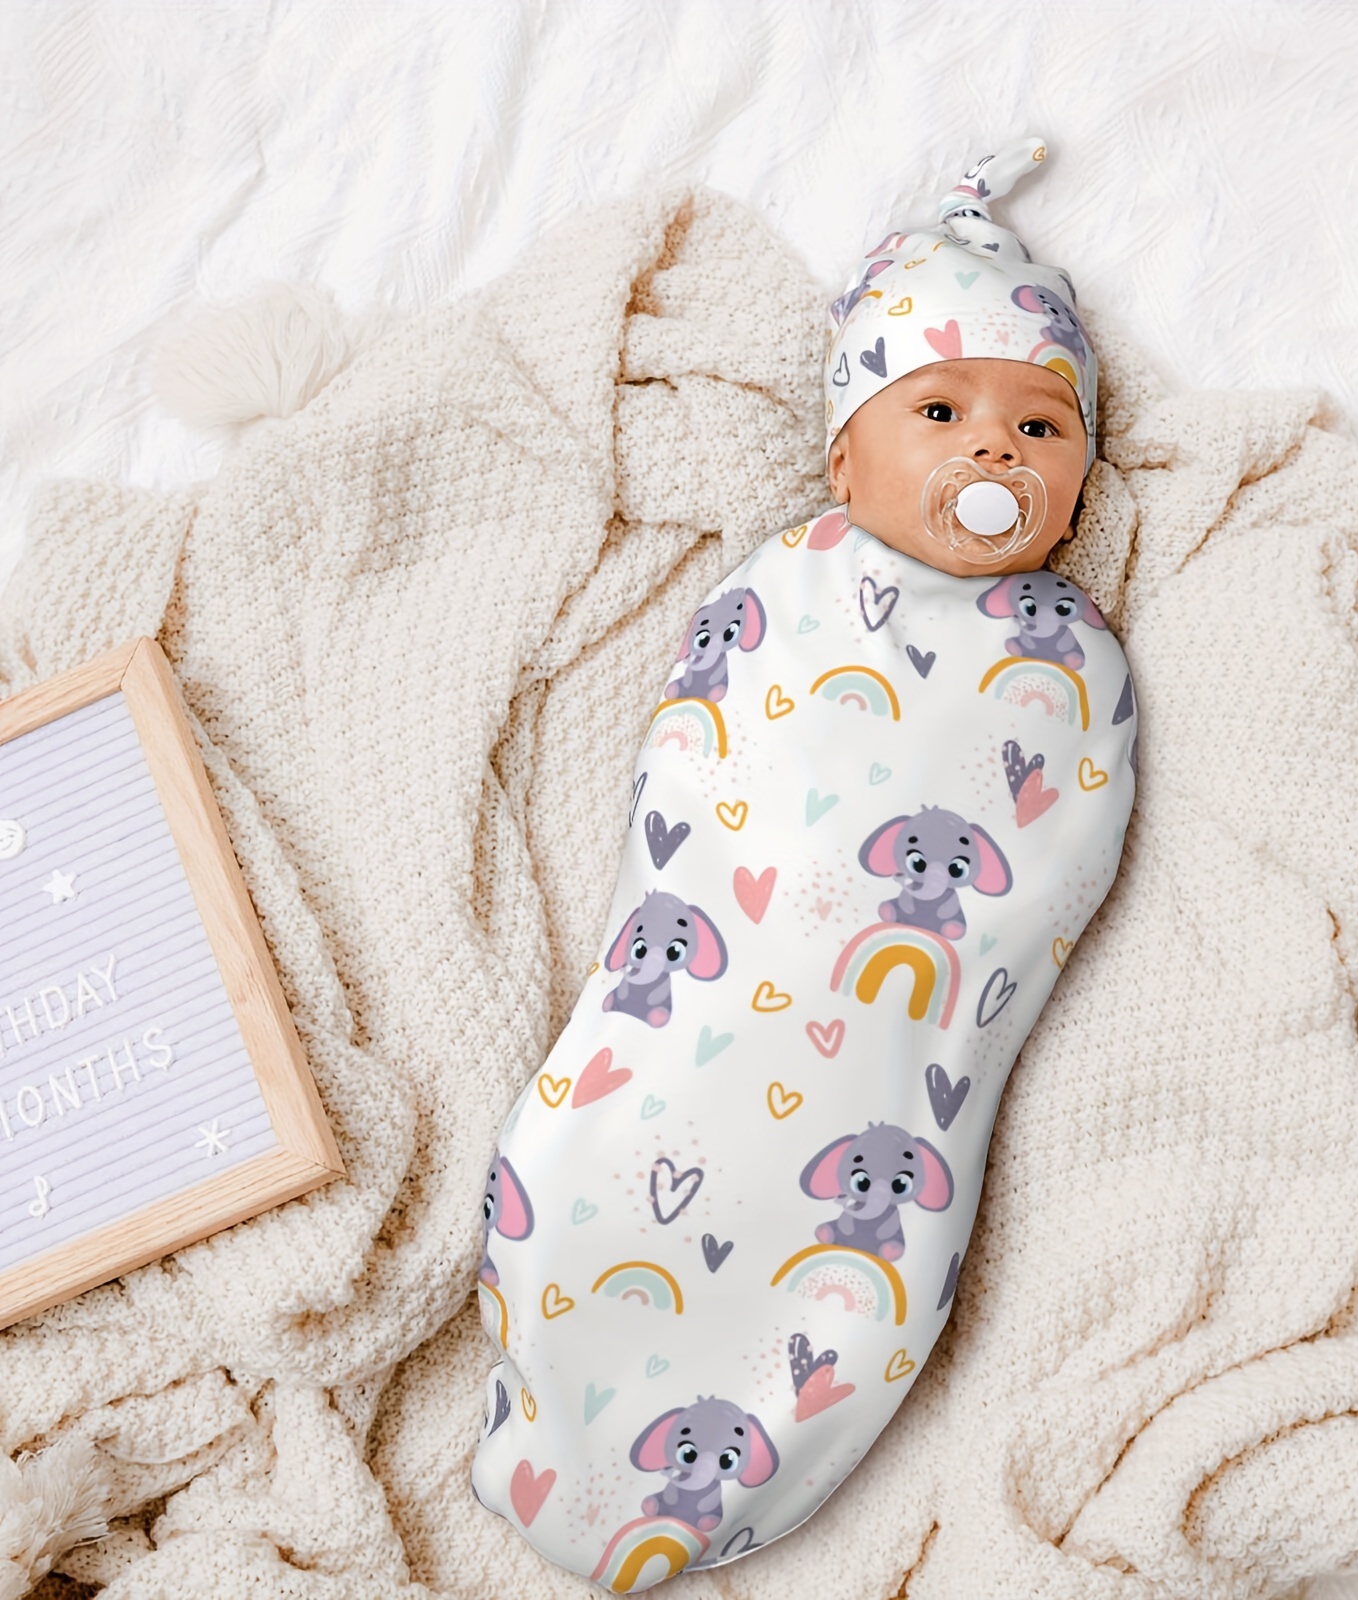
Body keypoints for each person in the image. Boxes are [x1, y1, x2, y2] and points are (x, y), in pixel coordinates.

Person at [472, 136, 1137, 1594]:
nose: (991, 454)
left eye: (1042, 429)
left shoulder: (1071, 657)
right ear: (844, 455)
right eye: (944, 410)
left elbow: (1057, 857)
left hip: (891, 1054)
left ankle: (741, 1467)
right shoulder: (792, 582)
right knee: (609, 1131)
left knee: (865, 1238)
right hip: (701, 1001)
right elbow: (699, 763)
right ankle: (549, 1400)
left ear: (1084, 485)